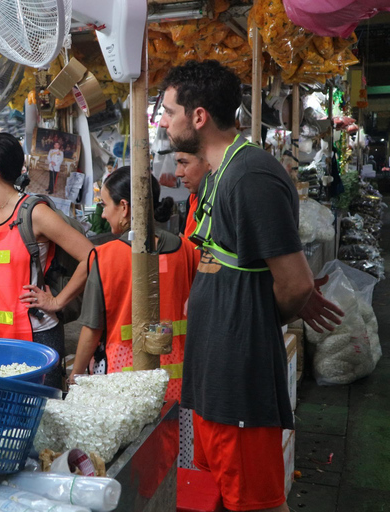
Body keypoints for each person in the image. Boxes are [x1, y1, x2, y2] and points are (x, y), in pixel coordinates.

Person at [159, 60, 342, 512]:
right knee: (218, 497)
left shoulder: (250, 177)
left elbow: (295, 284)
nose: (162, 122)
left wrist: (251, 320)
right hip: (212, 377)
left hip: (236, 377)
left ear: (198, 117)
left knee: (254, 504)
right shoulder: (221, 175)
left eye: (167, 111)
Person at [69, 169, 200, 467]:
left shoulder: (104, 257)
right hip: (177, 384)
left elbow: (92, 330)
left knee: (130, 466)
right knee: (174, 462)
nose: (103, 213)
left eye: (105, 204)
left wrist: (75, 375)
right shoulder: (186, 250)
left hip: (122, 386)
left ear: (125, 207)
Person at [0, 133, 93, 389]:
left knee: (41, 417)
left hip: (38, 337)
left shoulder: (34, 213)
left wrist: (56, 301)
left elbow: (91, 255)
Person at [173, 151, 212, 241]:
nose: (178, 173)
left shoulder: (220, 200)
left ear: (209, 162)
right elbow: (182, 239)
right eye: (177, 164)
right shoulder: (192, 198)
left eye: (184, 163)